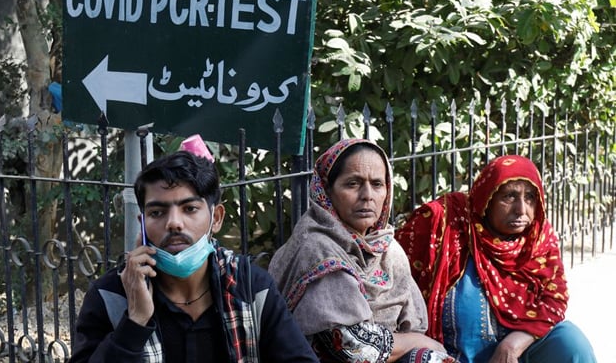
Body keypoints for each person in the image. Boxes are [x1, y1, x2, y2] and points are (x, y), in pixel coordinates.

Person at [69, 138, 318, 362]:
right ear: (142, 224)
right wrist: (134, 322)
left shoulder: (251, 287)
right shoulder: (111, 296)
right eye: (157, 212)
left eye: (189, 209)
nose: (174, 222)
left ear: (216, 218)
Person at [268, 138, 456, 363]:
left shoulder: (387, 248)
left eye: (377, 184)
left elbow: (415, 324)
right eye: (352, 184)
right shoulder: (317, 248)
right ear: (327, 190)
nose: (367, 195)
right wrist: (420, 343)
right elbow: (353, 347)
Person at [395, 155, 597, 363]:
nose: (521, 209)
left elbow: (555, 299)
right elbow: (395, 282)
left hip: (520, 354)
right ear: (486, 199)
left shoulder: (538, 239)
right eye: (509, 196)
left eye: (530, 198)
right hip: (451, 356)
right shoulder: (445, 225)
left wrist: (514, 343)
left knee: (571, 342)